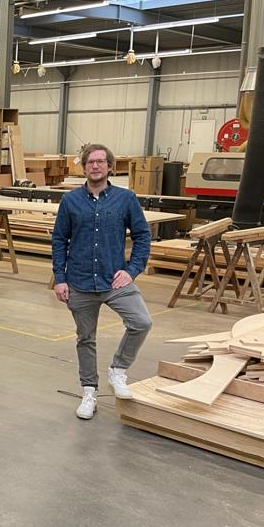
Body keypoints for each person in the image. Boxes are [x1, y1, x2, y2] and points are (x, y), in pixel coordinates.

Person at [51, 144, 153, 420]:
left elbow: (142, 236)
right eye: (90, 162)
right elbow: (59, 240)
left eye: (100, 161)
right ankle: (89, 392)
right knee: (86, 338)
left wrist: (132, 270)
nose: (95, 166)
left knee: (141, 322)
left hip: (114, 280)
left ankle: (118, 371)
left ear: (110, 166)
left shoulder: (125, 199)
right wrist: (60, 278)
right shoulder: (70, 201)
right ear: (83, 167)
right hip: (80, 282)